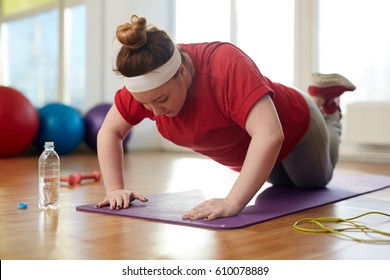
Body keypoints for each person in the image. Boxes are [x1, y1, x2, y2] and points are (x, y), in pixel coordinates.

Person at [96, 15, 356, 221]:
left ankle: (327, 110)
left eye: (162, 100)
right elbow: (110, 132)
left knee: (311, 183)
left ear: (182, 73)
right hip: (263, 148)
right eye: (145, 104)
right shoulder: (146, 87)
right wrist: (115, 189)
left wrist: (232, 202)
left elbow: (270, 135)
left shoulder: (226, 65)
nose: (154, 111)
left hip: (298, 126)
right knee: (283, 186)